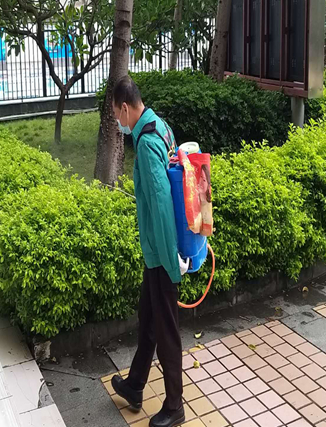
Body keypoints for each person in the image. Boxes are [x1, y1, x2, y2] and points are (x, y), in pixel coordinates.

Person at [110, 76, 185, 427]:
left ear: (126, 108)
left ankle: (175, 406)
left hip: (161, 255)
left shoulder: (146, 144)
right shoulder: (160, 126)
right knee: (149, 318)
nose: (118, 123)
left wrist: (172, 260)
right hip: (155, 252)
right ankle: (135, 385)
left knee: (166, 329)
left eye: (117, 116)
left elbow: (161, 206)